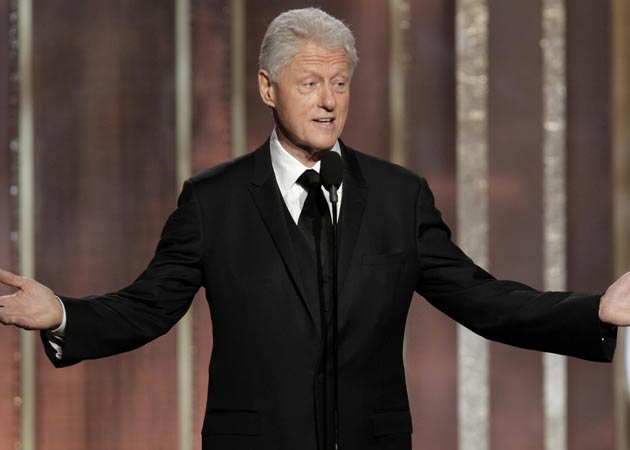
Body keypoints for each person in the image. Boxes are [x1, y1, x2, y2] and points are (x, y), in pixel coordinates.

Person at [0, 7, 628, 450]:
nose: (329, 100)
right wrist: (60, 313)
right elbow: (148, 307)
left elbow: (482, 298)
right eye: (310, 83)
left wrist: (594, 311)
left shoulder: (396, 196)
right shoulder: (213, 201)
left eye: (340, 83)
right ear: (268, 88)